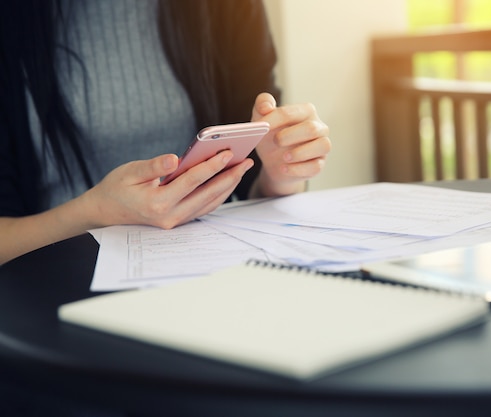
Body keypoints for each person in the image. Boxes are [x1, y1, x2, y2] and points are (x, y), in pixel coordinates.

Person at [0, 0, 331, 266]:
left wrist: (282, 171)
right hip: (52, 282)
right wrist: (97, 213)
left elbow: (255, 188)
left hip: (211, 266)